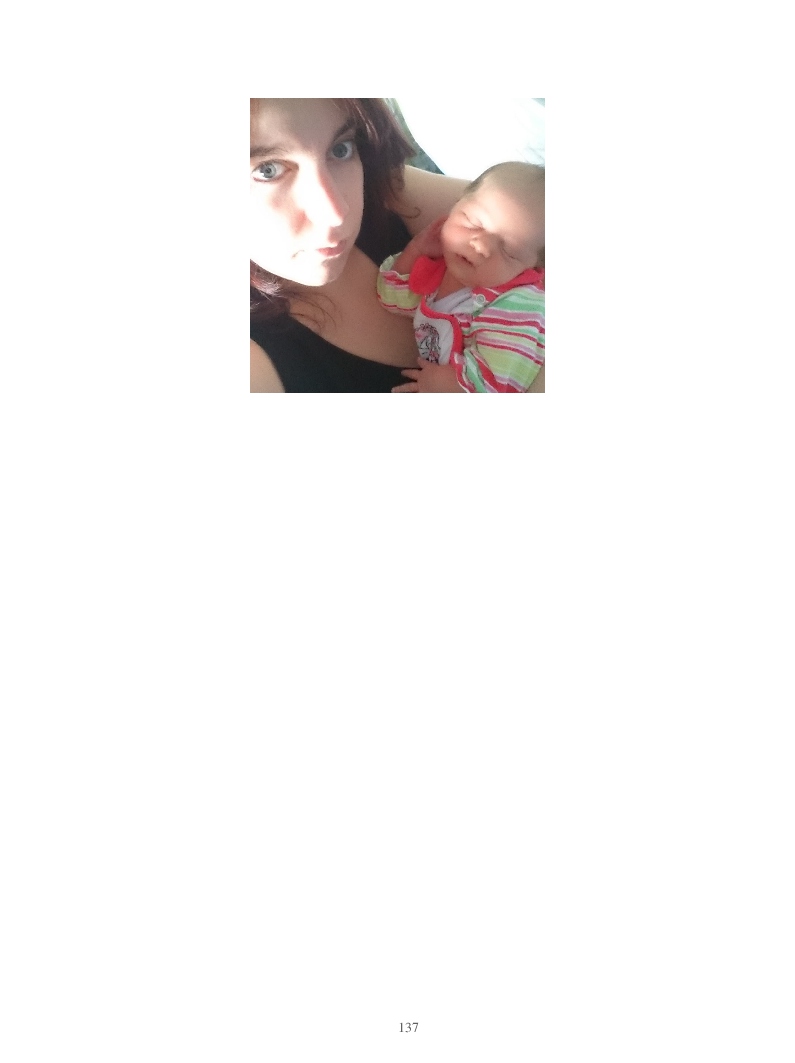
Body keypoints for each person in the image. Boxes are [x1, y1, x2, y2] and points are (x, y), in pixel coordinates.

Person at [249, 99, 545, 393]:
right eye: (267, 170)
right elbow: (397, 294)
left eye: (340, 149)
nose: (337, 214)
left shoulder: (383, 185)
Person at [376, 162, 545, 393]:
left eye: (509, 251)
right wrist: (416, 250)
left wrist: (452, 386)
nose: (481, 246)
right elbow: (390, 296)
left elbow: (500, 384)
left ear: (532, 268)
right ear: (456, 203)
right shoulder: (441, 269)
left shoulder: (519, 304)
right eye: (473, 222)